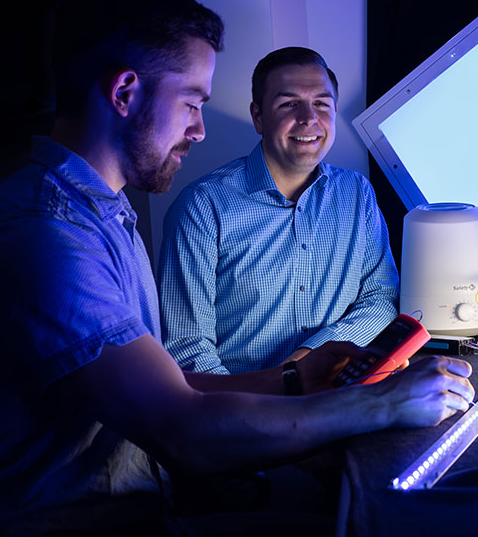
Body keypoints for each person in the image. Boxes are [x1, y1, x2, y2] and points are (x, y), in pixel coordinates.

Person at [0, 0, 473, 537]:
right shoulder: (43, 235)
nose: (198, 127)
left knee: (357, 514)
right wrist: (381, 407)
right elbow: (182, 430)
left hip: (139, 513)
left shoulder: (103, 215)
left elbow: (173, 386)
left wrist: (295, 379)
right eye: (192, 102)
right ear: (124, 92)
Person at [158, 47, 398, 382]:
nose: (309, 119)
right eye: (288, 104)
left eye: (321, 104)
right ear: (258, 117)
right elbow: (186, 348)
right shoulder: (201, 207)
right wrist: (279, 392)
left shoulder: (356, 194)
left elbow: (382, 300)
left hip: (340, 400)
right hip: (241, 415)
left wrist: (308, 357)